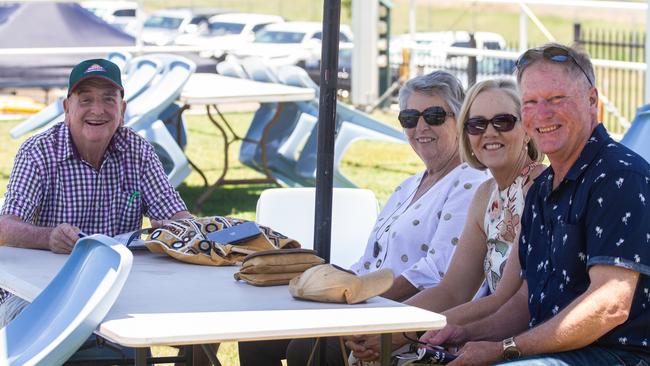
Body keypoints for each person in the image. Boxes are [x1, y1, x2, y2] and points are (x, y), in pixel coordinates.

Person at [238, 71, 491, 365]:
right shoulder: (409, 185)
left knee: (309, 350)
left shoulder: (469, 181)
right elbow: (372, 260)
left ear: (459, 120)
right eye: (409, 118)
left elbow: (435, 271)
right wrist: (333, 289)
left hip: (412, 315)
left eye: (434, 116)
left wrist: (360, 303)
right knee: (257, 336)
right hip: (369, 302)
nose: (420, 127)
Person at [421, 43, 650, 365]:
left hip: (615, 356)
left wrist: (504, 349)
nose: (543, 114)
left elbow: (611, 304)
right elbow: (526, 303)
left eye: (557, 99)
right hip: (546, 350)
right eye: (530, 102)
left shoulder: (619, 176)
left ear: (592, 101)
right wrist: (463, 332)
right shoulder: (543, 188)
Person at [0, 58, 192, 358]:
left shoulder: (138, 151)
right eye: (85, 99)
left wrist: (185, 229)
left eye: (108, 99)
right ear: (67, 108)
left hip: (117, 292)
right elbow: (5, 228)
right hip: (40, 292)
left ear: (123, 109)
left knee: (192, 314)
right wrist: (48, 237)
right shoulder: (38, 152)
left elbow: (174, 216)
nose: (98, 110)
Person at [346, 78, 546, 361]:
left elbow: (505, 300)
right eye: (477, 124)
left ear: (527, 130)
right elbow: (452, 290)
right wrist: (391, 327)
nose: (489, 132)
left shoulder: (539, 189)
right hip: (486, 334)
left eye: (503, 121)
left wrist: (401, 332)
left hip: (530, 343)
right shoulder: (485, 195)